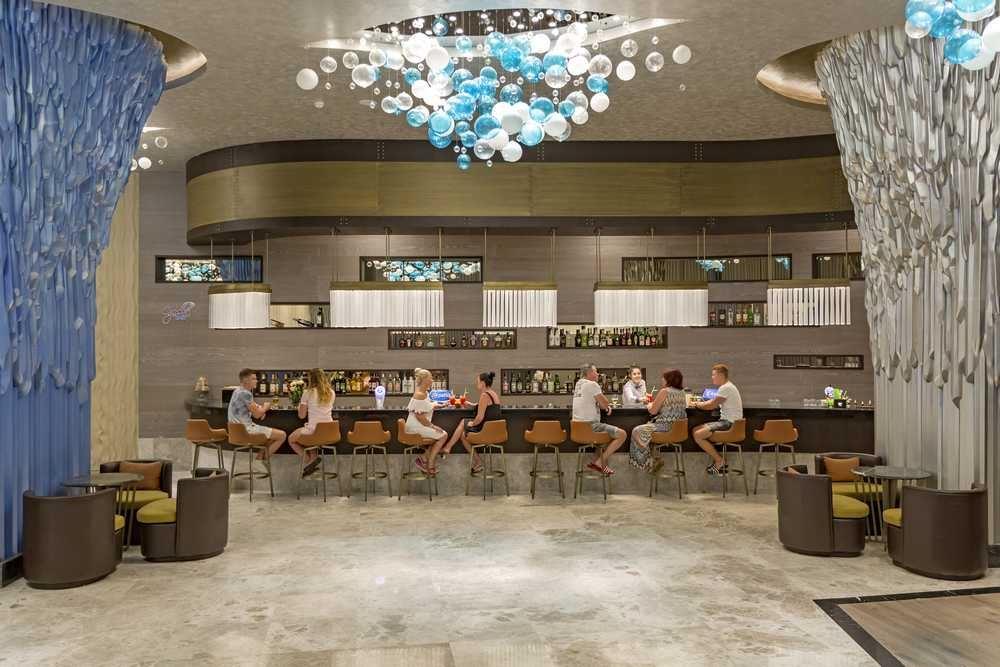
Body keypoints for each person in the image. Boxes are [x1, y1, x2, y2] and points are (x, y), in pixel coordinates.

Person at [426, 372, 500, 474]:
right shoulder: (492, 393)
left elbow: (480, 417)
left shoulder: (484, 395)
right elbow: (480, 406)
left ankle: (448, 447)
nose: (476, 383)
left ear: (482, 383)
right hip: (493, 429)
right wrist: (468, 404)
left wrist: (473, 423)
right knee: (463, 436)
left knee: (464, 421)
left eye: (478, 381)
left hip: (485, 429)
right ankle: (478, 462)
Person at [572, 363, 627, 475]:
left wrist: (604, 406)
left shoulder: (578, 384)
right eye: (596, 371)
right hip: (591, 426)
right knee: (622, 434)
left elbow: (601, 405)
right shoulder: (592, 384)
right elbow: (605, 403)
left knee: (605, 438)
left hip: (578, 429)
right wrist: (607, 406)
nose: (598, 374)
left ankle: (598, 463)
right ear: (590, 373)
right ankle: (599, 463)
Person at [629, 369, 687, 473]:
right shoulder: (682, 392)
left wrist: (649, 405)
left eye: (663, 378)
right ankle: (655, 458)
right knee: (647, 433)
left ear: (669, 379)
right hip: (679, 430)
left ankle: (649, 461)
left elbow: (653, 411)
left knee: (636, 431)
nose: (662, 380)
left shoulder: (665, 391)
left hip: (665, 426)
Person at [691, 363, 744, 475]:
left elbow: (711, 405)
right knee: (695, 430)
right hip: (730, 422)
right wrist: (700, 403)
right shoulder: (728, 387)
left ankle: (719, 461)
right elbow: (713, 402)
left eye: (714, 375)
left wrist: (697, 404)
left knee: (698, 435)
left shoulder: (726, 388)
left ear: (721, 375)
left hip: (729, 423)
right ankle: (719, 460)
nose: (712, 377)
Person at [227, 368, 286, 465]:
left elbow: (251, 408)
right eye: (254, 379)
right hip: (247, 431)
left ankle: (259, 459)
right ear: (246, 380)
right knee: (282, 435)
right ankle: (261, 463)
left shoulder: (237, 391)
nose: (257, 381)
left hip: (236, 432)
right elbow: (257, 415)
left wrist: (260, 410)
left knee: (271, 437)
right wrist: (266, 407)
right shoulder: (246, 393)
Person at [288, 369, 335, 478]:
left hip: (314, 430)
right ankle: (313, 459)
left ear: (311, 379)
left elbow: (301, 415)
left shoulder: (308, 393)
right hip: (329, 431)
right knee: (312, 436)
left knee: (291, 439)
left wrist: (300, 406)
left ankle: (308, 461)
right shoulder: (331, 393)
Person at [407, 368, 449, 475]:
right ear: (424, 380)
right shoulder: (420, 394)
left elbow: (427, 405)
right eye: (430, 378)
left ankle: (423, 459)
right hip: (415, 427)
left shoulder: (424, 393)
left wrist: (439, 405)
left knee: (437, 438)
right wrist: (433, 426)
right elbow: (419, 416)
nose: (432, 380)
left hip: (420, 426)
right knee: (443, 435)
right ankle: (429, 464)